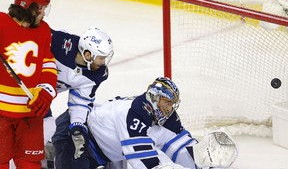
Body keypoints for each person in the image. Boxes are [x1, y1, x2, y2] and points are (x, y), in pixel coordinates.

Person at [52, 77, 238, 169]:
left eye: (172, 104)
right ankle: (49, 152)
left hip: (108, 153)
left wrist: (200, 159)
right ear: (155, 98)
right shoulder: (134, 115)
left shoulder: (166, 116)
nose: (169, 108)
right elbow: (145, 161)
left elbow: (177, 143)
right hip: (76, 134)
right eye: (167, 103)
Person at [0, 0, 57, 168]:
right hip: (1, 114)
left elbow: (48, 65)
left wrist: (46, 90)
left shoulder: (43, 30)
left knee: (30, 165)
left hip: (30, 114)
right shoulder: (1, 23)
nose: (43, 12)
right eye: (41, 8)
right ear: (29, 7)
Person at [42, 26, 114, 168]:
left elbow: (81, 101)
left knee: (47, 127)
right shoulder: (59, 43)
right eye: (101, 58)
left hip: (41, 98)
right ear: (87, 54)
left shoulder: (97, 74)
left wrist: (78, 125)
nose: (103, 63)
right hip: (19, 87)